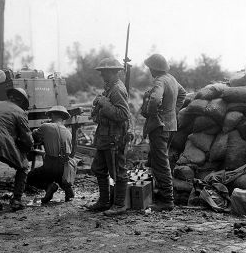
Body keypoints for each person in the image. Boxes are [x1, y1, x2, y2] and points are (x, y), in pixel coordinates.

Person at [140, 54, 186, 211]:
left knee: (161, 163)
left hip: (160, 127)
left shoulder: (159, 81)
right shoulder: (171, 79)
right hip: (170, 125)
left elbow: (154, 100)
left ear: (154, 69)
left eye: (150, 68)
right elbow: (183, 93)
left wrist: (153, 114)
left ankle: (167, 200)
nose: (149, 71)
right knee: (160, 160)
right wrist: (173, 111)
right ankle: (162, 194)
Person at [86, 58, 131, 216]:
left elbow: (123, 114)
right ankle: (104, 201)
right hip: (106, 136)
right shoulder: (110, 88)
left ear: (113, 71)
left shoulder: (118, 89)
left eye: (104, 72)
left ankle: (119, 204)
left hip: (115, 137)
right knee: (98, 168)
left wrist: (105, 104)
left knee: (118, 171)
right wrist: (100, 102)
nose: (101, 75)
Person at [27, 105, 75, 203]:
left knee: (30, 177)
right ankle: (67, 189)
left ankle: (49, 186)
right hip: (65, 165)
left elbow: (35, 135)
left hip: (51, 164)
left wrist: (41, 127)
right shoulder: (68, 132)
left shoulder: (46, 126)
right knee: (59, 174)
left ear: (52, 115)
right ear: (63, 118)